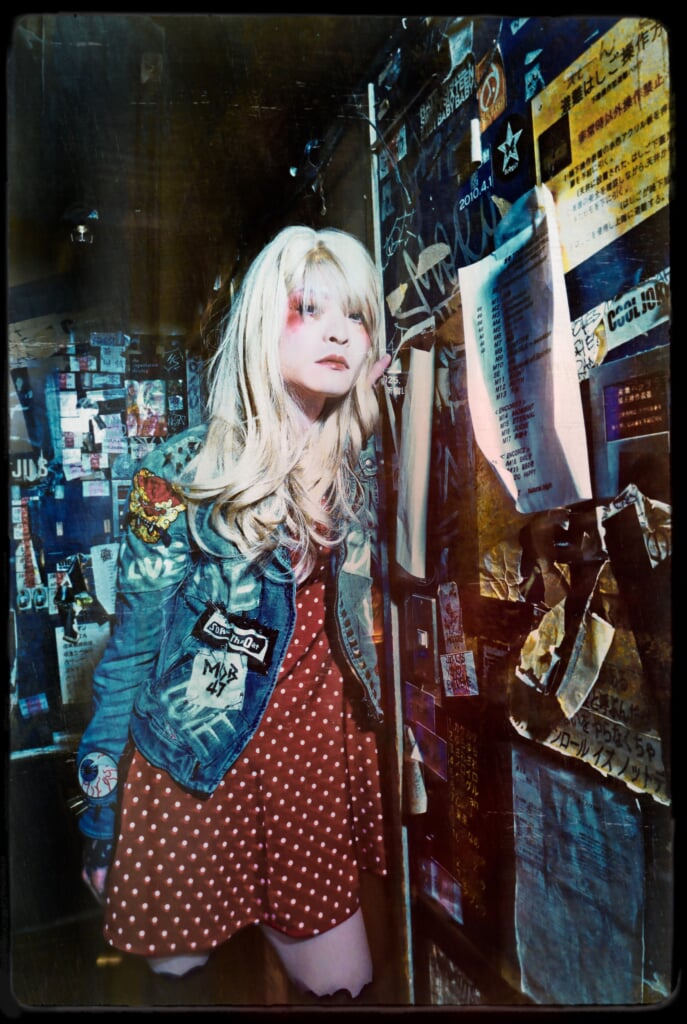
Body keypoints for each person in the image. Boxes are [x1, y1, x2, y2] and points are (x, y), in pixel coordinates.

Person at [75, 225, 392, 1000]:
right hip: (193, 772)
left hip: (307, 771)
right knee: (185, 990)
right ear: (260, 324)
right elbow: (130, 652)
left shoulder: (356, 467)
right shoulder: (170, 478)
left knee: (344, 988)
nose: (337, 332)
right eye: (309, 308)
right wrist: (100, 817)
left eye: (355, 316)